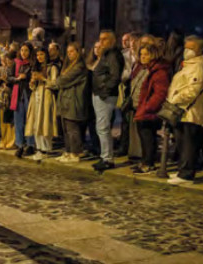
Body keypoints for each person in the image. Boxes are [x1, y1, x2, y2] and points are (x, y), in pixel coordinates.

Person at [165, 35, 203, 186]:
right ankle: (181, 170)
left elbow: (193, 89)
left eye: (192, 48)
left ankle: (187, 174)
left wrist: (175, 99)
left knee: (189, 144)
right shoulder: (189, 65)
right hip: (181, 111)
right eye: (187, 47)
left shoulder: (199, 66)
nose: (188, 51)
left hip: (190, 111)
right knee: (182, 142)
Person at [132, 44, 170, 174]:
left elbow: (160, 93)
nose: (142, 57)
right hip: (144, 109)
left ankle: (148, 163)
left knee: (148, 137)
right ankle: (145, 161)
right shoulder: (149, 69)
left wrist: (148, 107)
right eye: (141, 54)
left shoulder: (159, 72)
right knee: (145, 137)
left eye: (146, 54)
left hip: (149, 111)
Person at [49, 43, 89, 163]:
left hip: (74, 100)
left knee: (72, 128)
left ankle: (75, 152)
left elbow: (63, 80)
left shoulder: (79, 67)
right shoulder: (69, 65)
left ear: (78, 52)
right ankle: (68, 151)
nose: (70, 54)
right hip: (66, 99)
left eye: (72, 51)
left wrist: (53, 82)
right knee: (66, 127)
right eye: (68, 52)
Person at [91, 30, 124, 171]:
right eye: (100, 39)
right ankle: (104, 155)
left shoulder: (113, 55)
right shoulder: (107, 54)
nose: (101, 42)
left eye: (105, 39)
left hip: (105, 95)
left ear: (112, 40)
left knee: (103, 127)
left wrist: (104, 90)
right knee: (101, 127)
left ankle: (107, 159)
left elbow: (115, 76)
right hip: (99, 93)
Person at [25, 47, 58, 160]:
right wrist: (33, 82)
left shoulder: (52, 68)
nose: (39, 57)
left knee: (44, 122)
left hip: (46, 97)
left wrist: (43, 78)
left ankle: (46, 149)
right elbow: (32, 87)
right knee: (35, 123)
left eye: (42, 54)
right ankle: (38, 148)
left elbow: (54, 84)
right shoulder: (36, 68)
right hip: (36, 97)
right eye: (38, 55)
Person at [9, 42, 35, 158]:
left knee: (29, 120)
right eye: (22, 50)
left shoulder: (33, 64)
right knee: (18, 121)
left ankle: (30, 144)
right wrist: (17, 78)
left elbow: (34, 76)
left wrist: (27, 77)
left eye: (26, 50)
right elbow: (9, 77)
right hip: (18, 94)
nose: (23, 53)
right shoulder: (16, 63)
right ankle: (19, 144)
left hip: (28, 94)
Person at [0, 52, 16, 150]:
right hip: (3, 98)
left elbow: (14, 81)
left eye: (10, 59)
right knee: (3, 120)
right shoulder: (4, 69)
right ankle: (3, 139)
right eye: (6, 59)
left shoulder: (14, 69)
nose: (8, 61)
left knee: (9, 121)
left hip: (11, 96)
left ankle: (10, 140)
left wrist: (7, 81)